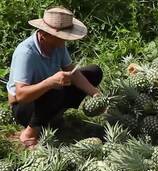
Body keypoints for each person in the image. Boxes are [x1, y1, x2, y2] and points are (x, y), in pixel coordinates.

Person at [6, 7, 103, 149]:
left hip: (49, 96)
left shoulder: (57, 45)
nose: (65, 40)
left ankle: (53, 116)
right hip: (24, 107)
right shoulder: (26, 53)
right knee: (55, 90)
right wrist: (50, 82)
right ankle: (30, 133)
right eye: (62, 36)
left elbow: (73, 72)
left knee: (93, 72)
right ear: (45, 34)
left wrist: (95, 93)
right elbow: (20, 96)